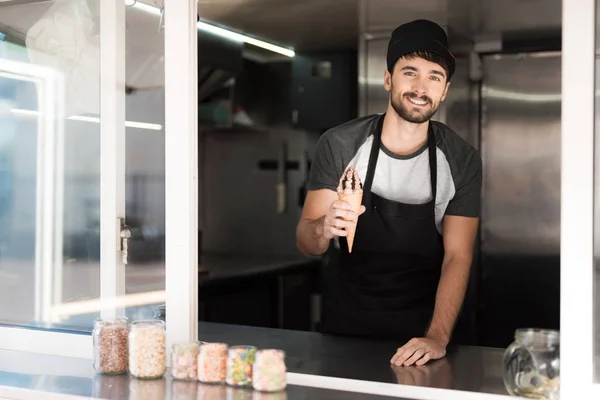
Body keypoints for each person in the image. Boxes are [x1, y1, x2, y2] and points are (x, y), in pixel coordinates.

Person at [295, 19, 482, 367]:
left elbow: (458, 256)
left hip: (425, 334)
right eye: (409, 72)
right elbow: (307, 243)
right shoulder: (340, 144)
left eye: (434, 76)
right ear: (388, 79)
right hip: (347, 328)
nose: (421, 87)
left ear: (444, 90)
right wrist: (323, 227)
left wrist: (437, 336)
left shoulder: (460, 159)